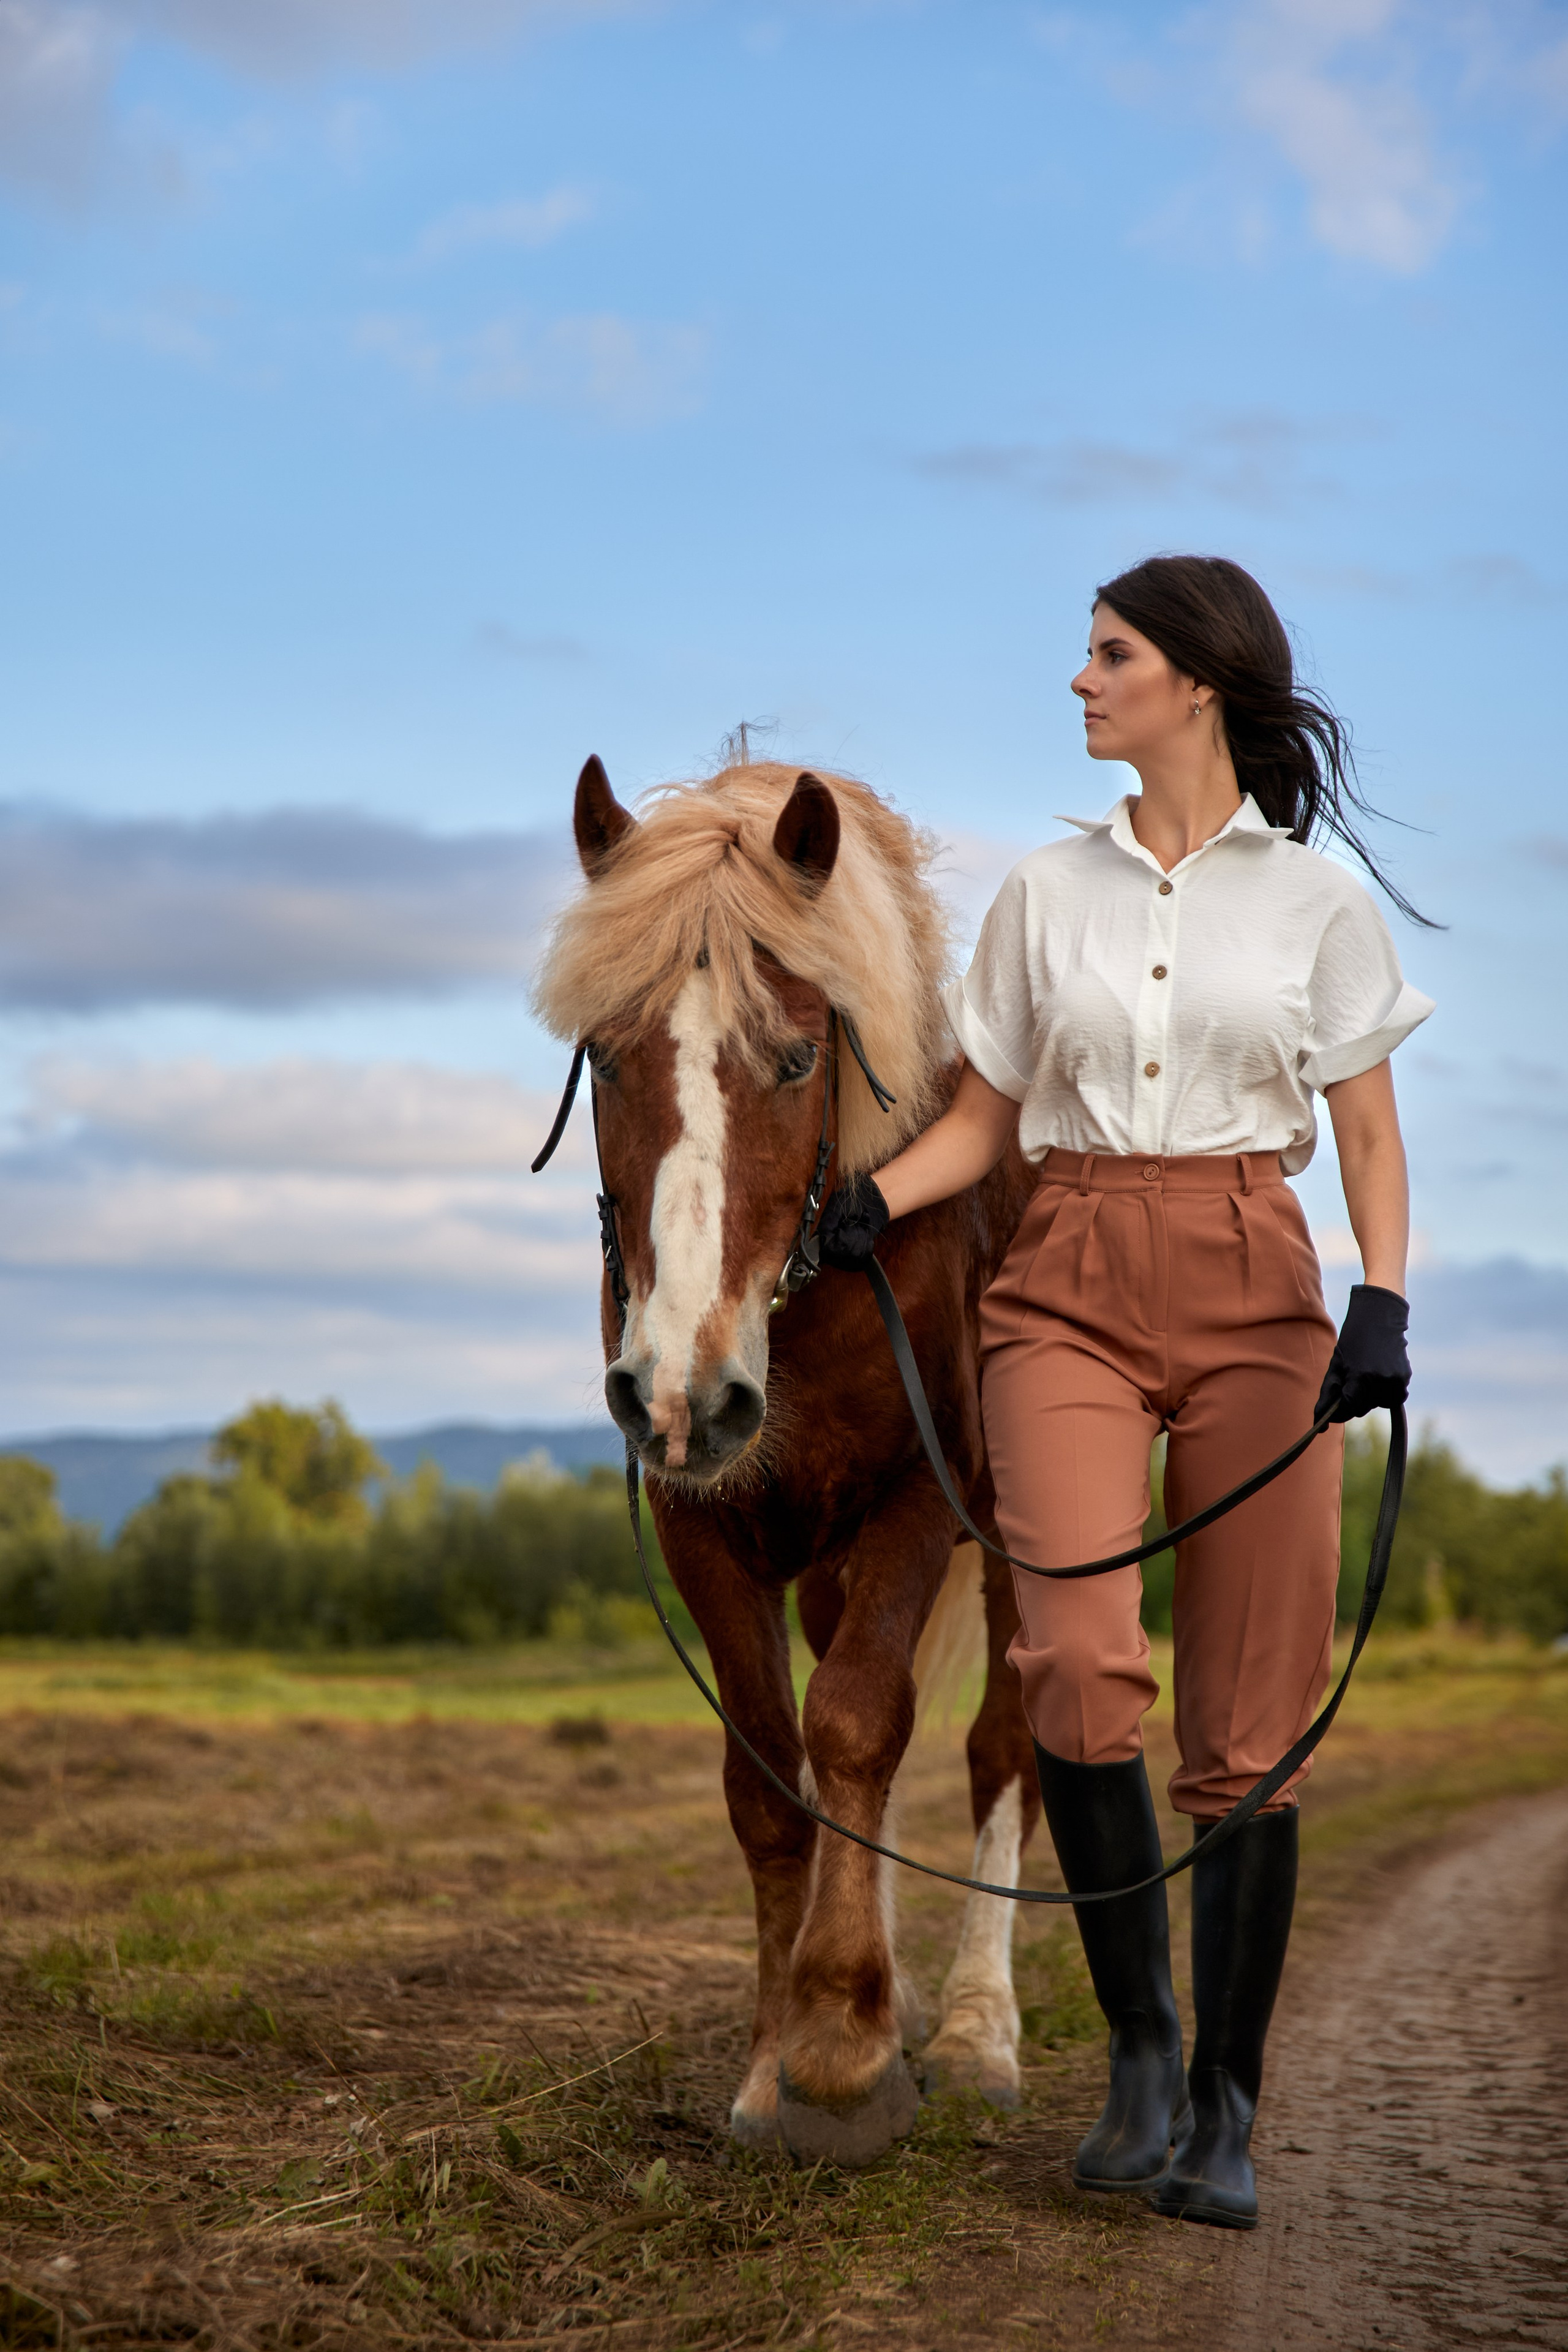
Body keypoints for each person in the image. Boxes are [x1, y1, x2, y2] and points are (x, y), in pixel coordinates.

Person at [816, 554, 1433, 2230]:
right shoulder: (1045, 893)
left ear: (1199, 682)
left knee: (1250, 1728)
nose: (1081, 682)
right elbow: (987, 1115)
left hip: (1256, 1276)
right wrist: (889, 1193)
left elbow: (1366, 1130)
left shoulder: (1315, 902)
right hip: (1068, 1281)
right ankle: (1142, 2053)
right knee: (1075, 1662)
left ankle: (1225, 2109)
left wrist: (1380, 1294)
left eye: (1110, 655)